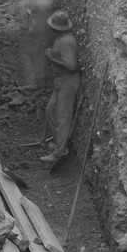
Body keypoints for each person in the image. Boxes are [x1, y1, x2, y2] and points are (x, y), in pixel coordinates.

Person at [40, 10, 80, 167]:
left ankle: (60, 151)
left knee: (62, 117)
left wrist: (51, 58)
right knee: (50, 111)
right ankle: (58, 144)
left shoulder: (66, 42)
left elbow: (71, 66)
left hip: (68, 82)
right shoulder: (61, 39)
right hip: (60, 81)